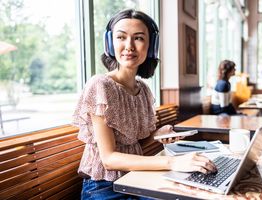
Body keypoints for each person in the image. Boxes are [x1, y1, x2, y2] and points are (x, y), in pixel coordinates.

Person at [72, 9, 217, 199]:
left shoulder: (143, 90)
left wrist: (157, 135)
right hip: (104, 187)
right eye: (121, 37)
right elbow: (108, 159)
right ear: (109, 43)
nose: (129, 46)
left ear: (151, 46)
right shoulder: (100, 85)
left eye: (138, 38)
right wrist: (174, 163)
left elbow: (132, 142)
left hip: (136, 177)